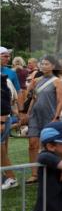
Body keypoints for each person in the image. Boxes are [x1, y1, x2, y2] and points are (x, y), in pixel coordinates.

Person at [25, 55, 62, 184]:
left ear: (53, 66)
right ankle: (35, 173)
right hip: (35, 116)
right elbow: (32, 98)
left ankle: (53, 171)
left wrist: (56, 116)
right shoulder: (36, 80)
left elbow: (60, 100)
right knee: (32, 144)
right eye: (42, 63)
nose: (43, 66)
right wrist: (27, 113)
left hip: (50, 116)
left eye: (46, 64)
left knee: (50, 145)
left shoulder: (57, 81)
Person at [1, 47, 23, 189]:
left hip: (2, 118)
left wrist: (3, 120)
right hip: (5, 117)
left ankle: (10, 177)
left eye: (8, 56)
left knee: (1, 150)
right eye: (4, 56)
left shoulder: (6, 77)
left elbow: (8, 100)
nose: (7, 58)